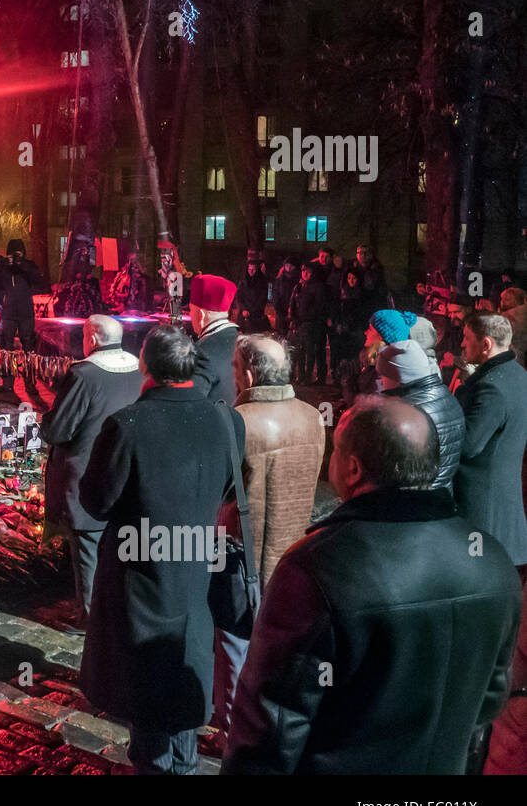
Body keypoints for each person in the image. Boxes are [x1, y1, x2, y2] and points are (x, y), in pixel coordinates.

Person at [223, 398, 521, 774]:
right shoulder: (492, 561)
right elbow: (489, 700)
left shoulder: (315, 568)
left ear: (351, 467)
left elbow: (273, 724)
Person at [78, 324, 245, 775]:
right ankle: (185, 764)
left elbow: (96, 502)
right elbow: (232, 484)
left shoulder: (128, 425)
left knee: (147, 690)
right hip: (196, 569)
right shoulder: (227, 419)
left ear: (145, 367)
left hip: (140, 576)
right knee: (185, 671)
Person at [211, 334, 325, 742]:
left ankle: (230, 735)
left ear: (249, 373)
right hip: (294, 549)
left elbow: (216, 489)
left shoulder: (236, 421)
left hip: (239, 553)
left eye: (235, 367)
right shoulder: (313, 416)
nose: (232, 374)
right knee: (279, 647)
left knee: (234, 647)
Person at [39, 315, 141, 626]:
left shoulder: (84, 374)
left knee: (87, 549)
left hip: (86, 472)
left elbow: (59, 429)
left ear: (92, 340)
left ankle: (90, 618)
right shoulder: (138, 367)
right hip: (124, 469)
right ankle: (115, 609)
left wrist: (44, 423)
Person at [455, 312, 527, 570]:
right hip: (502, 505)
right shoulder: (518, 374)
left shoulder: (492, 387)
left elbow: (468, 445)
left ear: (485, 344)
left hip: (482, 508)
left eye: (466, 338)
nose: (462, 345)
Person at [377, 339, 462, 492]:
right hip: (442, 494)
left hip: (417, 501)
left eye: (383, 375)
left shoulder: (408, 413)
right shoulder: (444, 394)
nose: (381, 381)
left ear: (398, 377)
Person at [0, 238, 44, 351]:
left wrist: (23, 265)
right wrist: (1, 265)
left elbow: (40, 282)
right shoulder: (4, 268)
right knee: (5, 346)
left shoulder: (28, 266)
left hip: (25, 312)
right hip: (8, 313)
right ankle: (5, 368)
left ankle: (30, 368)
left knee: (29, 346)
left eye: (18, 254)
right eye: (13, 255)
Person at [190, 274, 240, 404]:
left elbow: (190, 404)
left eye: (190, 311)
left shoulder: (202, 353)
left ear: (201, 315)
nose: (190, 316)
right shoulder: (242, 341)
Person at [289, 265, 329, 385]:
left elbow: (318, 306)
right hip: (299, 323)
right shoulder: (299, 286)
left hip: (311, 323)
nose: (305, 274)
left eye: (308, 272)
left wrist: (306, 317)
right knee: (299, 351)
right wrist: (293, 318)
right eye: (303, 271)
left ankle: (308, 376)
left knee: (309, 351)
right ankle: (300, 376)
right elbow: (293, 303)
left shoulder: (317, 287)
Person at [234, 260, 270, 333]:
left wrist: (251, 311)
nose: (251, 271)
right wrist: (244, 309)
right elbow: (239, 297)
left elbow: (262, 299)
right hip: (243, 314)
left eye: (253, 269)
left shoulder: (263, 282)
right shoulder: (243, 281)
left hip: (256, 315)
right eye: (249, 269)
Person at [272, 257, 300, 335]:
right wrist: (278, 310)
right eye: (287, 265)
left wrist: (293, 313)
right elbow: (275, 295)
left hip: (293, 314)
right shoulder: (279, 280)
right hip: (280, 312)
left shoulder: (298, 280)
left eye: (291, 265)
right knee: (280, 335)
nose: (289, 267)